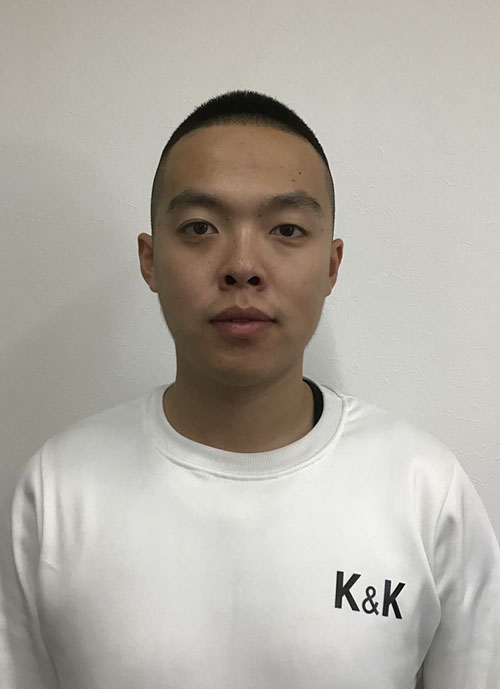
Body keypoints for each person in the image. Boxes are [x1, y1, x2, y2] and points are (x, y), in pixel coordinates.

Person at [1, 89, 499, 689]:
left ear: (332, 265)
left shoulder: (425, 492)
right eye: (200, 227)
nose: (242, 265)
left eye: (286, 228)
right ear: (150, 260)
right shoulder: (56, 492)